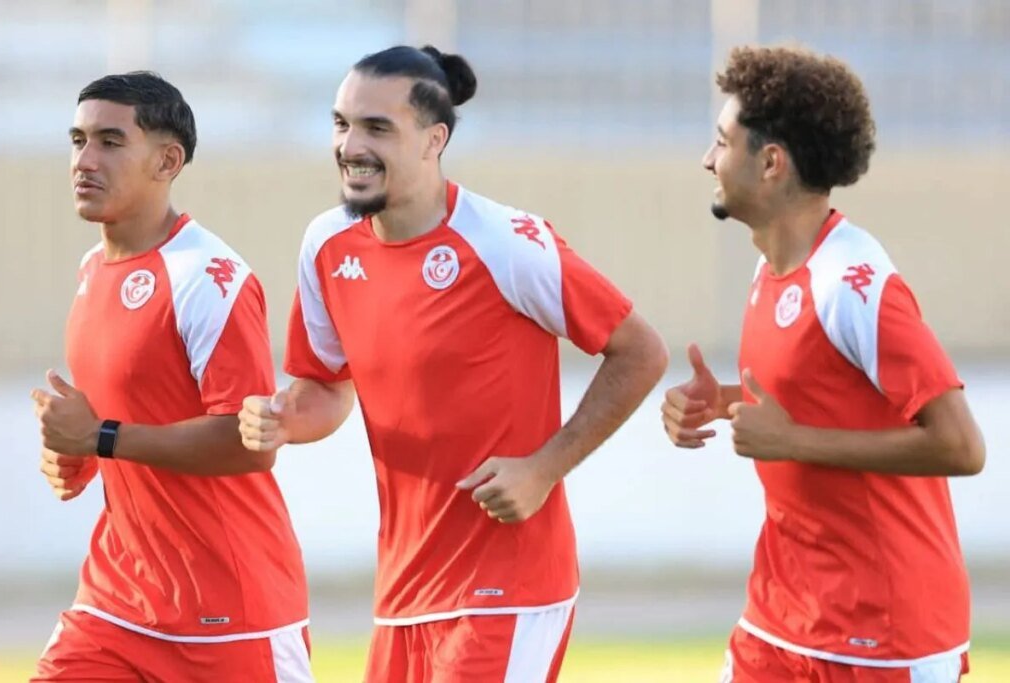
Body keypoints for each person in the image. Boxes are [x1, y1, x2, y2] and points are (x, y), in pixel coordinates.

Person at [238, 45, 668, 682]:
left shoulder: (506, 242)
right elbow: (326, 389)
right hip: (403, 596)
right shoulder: (326, 244)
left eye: (377, 128)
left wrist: (544, 469)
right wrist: (279, 417)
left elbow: (641, 352)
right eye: (341, 124)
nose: (351, 145)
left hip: (510, 589)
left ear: (433, 140)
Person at [661, 46, 986, 682]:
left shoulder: (855, 286)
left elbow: (961, 446)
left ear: (772, 163)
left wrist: (792, 441)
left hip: (886, 635)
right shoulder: (773, 269)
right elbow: (816, 398)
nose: (708, 159)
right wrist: (723, 401)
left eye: (722, 142)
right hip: (781, 614)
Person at [31, 71, 312, 682]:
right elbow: (130, 413)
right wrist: (77, 456)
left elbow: (248, 444)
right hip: (117, 602)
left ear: (167, 160)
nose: (85, 160)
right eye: (77, 140)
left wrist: (100, 438)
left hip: (231, 612)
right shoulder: (90, 270)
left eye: (109, 141)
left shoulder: (209, 278)